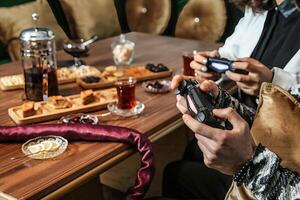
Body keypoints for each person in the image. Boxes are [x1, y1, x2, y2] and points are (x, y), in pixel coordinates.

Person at [162, 0, 300, 198]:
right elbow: (232, 52)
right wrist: (214, 63)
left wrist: (273, 82)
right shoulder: (264, 9)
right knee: (193, 150)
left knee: (177, 173)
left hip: (281, 153)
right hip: (255, 128)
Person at [167, 75, 300, 200]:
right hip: (274, 161)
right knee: (181, 165)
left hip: (265, 183)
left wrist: (250, 166)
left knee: (176, 175)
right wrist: (220, 103)